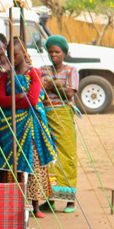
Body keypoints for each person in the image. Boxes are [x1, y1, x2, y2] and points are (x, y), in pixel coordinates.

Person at [0, 37, 56, 215]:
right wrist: (18, 97)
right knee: (12, 165)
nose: (11, 58)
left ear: (24, 53)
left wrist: (14, 101)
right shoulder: (5, 75)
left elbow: (32, 101)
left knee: (34, 164)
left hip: (30, 126)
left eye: (15, 55)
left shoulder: (34, 73)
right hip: (10, 126)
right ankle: (14, 204)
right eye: (8, 55)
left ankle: (35, 205)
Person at [40, 35, 79, 213]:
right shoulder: (43, 69)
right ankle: (50, 198)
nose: (53, 55)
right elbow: (40, 88)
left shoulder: (71, 70)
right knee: (49, 157)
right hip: (46, 115)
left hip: (63, 114)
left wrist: (52, 84)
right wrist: (57, 84)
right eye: (50, 52)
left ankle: (69, 200)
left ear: (64, 52)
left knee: (67, 156)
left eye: (57, 52)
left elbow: (70, 93)